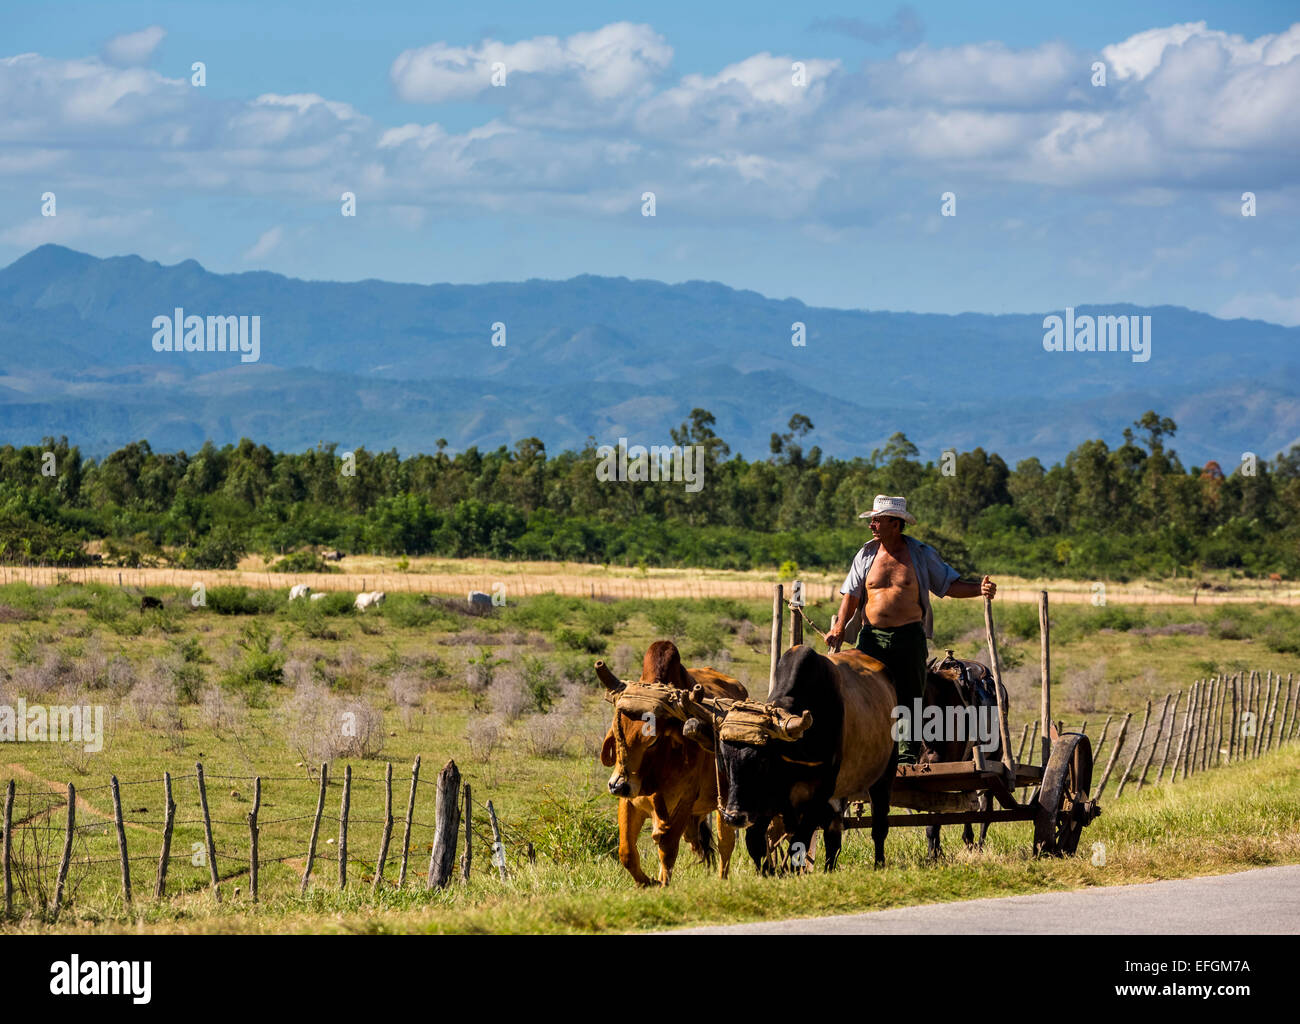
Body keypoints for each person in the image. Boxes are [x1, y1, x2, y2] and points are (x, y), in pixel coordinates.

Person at [824, 495, 997, 765]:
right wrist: (838, 627)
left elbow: (948, 585)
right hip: (871, 637)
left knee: (910, 696)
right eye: (872, 520)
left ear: (895, 523)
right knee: (863, 690)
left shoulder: (920, 554)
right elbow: (851, 595)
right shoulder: (866, 554)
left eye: (877, 520)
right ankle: (865, 750)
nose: (872, 525)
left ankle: (904, 757)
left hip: (908, 637)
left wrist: (979, 589)